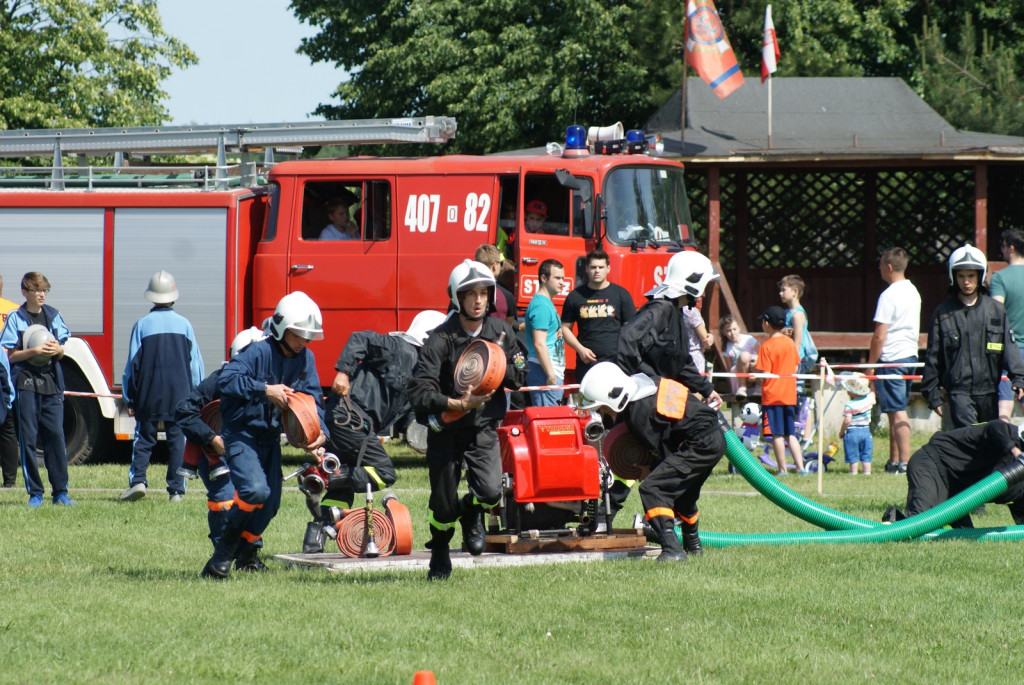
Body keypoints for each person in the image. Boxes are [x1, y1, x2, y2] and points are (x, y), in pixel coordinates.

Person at [408, 259, 526, 581]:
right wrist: (454, 402)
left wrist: (498, 367)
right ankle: (440, 555)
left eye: (483, 293)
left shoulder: (502, 332)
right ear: (456, 298)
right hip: (445, 430)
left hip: (483, 429)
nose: (478, 300)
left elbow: (519, 374)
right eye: (470, 293)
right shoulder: (439, 339)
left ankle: (472, 509)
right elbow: (418, 391)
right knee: (442, 505)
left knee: (490, 492)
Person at [201, 291, 329, 579]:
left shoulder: (305, 358)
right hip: (241, 435)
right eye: (299, 334)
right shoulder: (257, 351)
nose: (303, 342)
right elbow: (228, 378)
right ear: (282, 328)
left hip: (270, 439)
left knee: (270, 505)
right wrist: (265, 389)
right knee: (255, 491)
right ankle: (222, 556)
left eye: (308, 336)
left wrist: (319, 433)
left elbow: (313, 399)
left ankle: (242, 554)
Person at [302, 309, 446, 554]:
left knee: (343, 489)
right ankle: (324, 476)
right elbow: (361, 338)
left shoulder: (422, 370)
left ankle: (316, 535)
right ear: (429, 337)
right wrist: (343, 372)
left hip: (349, 419)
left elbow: (415, 408)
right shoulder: (397, 347)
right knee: (383, 472)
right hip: (350, 417)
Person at [613, 251, 723, 527]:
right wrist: (649, 384)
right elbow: (627, 341)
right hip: (649, 407)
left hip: (660, 405)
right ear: (693, 281)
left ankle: (674, 533)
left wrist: (706, 388)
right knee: (651, 470)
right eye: (705, 284)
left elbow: (679, 362)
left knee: (661, 466)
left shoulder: (674, 312)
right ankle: (655, 533)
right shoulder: (661, 309)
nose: (706, 290)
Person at [578, 361, 725, 562]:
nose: (604, 415)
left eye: (603, 408)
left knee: (653, 489)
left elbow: (664, 451)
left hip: (698, 444)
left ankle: (672, 550)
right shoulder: (648, 385)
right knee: (683, 494)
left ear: (613, 398)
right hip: (713, 438)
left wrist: (651, 470)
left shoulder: (638, 413)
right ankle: (693, 546)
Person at [175, 326, 266, 557]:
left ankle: (249, 556)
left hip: (246, 452)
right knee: (224, 500)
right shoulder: (216, 382)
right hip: (214, 455)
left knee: (252, 500)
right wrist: (212, 438)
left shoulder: (264, 386)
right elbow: (184, 412)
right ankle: (223, 554)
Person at [120, 271, 205, 502]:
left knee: (144, 439)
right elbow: (195, 364)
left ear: (151, 296)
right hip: (180, 395)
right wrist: (197, 396)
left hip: (148, 394)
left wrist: (130, 397)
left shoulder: (142, 325)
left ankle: (138, 481)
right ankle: (176, 490)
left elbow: (132, 366)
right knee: (178, 441)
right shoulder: (185, 325)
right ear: (173, 295)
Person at [920, 244, 1024, 429]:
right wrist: (932, 392)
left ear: (980, 276)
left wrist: (1019, 379)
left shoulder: (996, 310)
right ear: (954, 276)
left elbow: (1009, 348)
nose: (966, 281)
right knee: (969, 440)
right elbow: (933, 356)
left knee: (988, 446)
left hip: (989, 393)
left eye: (970, 276)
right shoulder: (943, 312)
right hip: (958, 393)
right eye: (961, 276)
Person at [0, 272, 74, 506]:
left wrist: (57, 351)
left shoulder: (53, 315)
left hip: (51, 383)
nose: (41, 294)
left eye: (45, 290)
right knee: (29, 439)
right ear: (25, 292)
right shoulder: (16, 318)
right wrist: (34, 352)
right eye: (36, 290)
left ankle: (61, 492)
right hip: (25, 383)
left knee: (55, 437)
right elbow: (11, 356)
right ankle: (35, 493)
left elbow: (63, 348)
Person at [883, 420, 1024, 529]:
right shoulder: (1008, 435)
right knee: (918, 524)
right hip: (932, 464)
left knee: (965, 534)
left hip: (957, 488)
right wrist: (1016, 452)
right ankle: (893, 521)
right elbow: (995, 426)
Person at [868, 247, 921, 475]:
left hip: (892, 358)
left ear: (889, 267)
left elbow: (879, 335)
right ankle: (894, 460)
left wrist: (870, 366)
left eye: (880, 265)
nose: (879, 269)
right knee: (893, 409)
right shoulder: (913, 291)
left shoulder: (888, 295)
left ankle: (906, 463)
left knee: (898, 410)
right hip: (910, 355)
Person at [560, 249, 637, 382]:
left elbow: (631, 330)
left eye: (601, 267)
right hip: (587, 363)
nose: (597, 271)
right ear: (586, 269)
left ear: (608, 268)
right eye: (593, 267)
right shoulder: (575, 296)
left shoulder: (621, 294)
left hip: (616, 364)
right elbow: (565, 328)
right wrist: (580, 349)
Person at [755, 305, 806, 475]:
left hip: (773, 397)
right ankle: (801, 467)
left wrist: (754, 377)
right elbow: (795, 364)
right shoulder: (790, 344)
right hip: (789, 396)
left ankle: (782, 468)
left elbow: (767, 373)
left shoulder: (766, 347)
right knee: (790, 434)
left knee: (776, 434)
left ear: (767, 323)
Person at [990, 229, 1024, 423]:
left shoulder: (999, 278)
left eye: (1003, 246)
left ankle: (1006, 449)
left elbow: (996, 315)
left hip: (1010, 350)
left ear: (1011, 248)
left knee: (1004, 406)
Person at [524, 258, 565, 406]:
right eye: (557, 278)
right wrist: (551, 375)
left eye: (563, 278)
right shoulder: (541, 305)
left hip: (548, 371)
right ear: (543, 278)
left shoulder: (545, 303)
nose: (562, 282)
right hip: (544, 372)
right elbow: (539, 344)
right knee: (548, 424)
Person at [778, 274, 818, 393]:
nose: (780, 293)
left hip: (797, 358)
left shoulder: (797, 315)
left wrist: (793, 361)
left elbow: (798, 342)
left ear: (795, 291)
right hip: (785, 356)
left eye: (783, 290)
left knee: (797, 391)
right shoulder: (786, 312)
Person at [0, 273, 18, 488]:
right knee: (8, 431)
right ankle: (10, 481)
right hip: (13, 373)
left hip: (3, 372)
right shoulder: (14, 310)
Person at [839, 373, 875, 475]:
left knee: (853, 454)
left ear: (851, 392)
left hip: (852, 432)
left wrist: (841, 432)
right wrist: (871, 380)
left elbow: (847, 420)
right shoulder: (869, 399)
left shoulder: (849, 405)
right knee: (866, 454)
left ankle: (853, 472)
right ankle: (867, 473)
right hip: (866, 432)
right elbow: (873, 393)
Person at [474, 243, 516, 326]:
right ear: (494, 266)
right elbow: (508, 330)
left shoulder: (463, 291)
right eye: (501, 264)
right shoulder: (507, 296)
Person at [719, 314, 759, 399]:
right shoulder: (726, 347)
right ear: (724, 332)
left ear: (739, 328)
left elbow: (761, 354)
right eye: (728, 330)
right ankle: (742, 387)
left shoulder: (748, 339)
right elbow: (729, 369)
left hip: (754, 369)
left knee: (752, 359)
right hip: (739, 373)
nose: (732, 333)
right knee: (743, 356)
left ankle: (758, 386)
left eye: (734, 329)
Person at [683, 296, 714, 372]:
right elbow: (706, 340)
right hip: (694, 356)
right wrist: (711, 338)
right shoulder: (691, 311)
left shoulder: (674, 309)